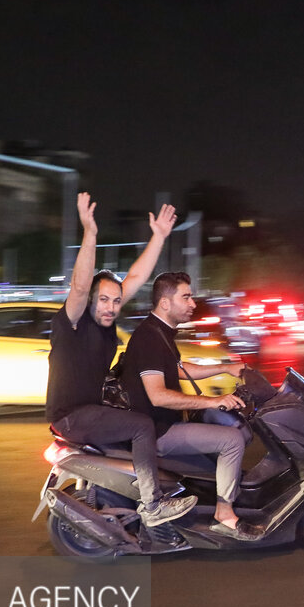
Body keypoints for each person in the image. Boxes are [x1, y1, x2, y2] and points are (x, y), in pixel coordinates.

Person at [45, 192, 197, 528]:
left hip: (91, 408)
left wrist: (158, 236)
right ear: (90, 302)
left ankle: (130, 493)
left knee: (140, 419)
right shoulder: (73, 323)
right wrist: (90, 233)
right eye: (104, 300)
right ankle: (152, 504)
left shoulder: (107, 321)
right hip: (71, 415)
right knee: (142, 426)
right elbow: (81, 285)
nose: (111, 307)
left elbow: (137, 278)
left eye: (116, 301)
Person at [117, 271, 256, 541]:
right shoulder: (149, 339)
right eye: (186, 297)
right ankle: (224, 514)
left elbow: (179, 371)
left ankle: (214, 494)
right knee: (232, 440)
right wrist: (214, 400)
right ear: (165, 303)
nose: (193, 304)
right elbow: (158, 396)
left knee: (222, 424)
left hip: (167, 422)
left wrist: (225, 369)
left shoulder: (160, 332)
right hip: (159, 430)